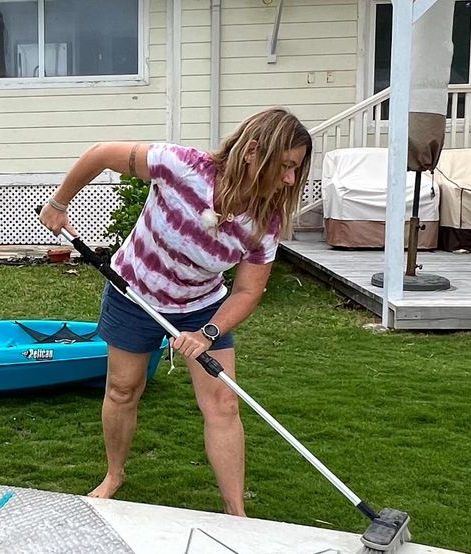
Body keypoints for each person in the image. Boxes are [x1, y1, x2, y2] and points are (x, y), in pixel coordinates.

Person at [39, 107, 311, 516]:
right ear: (253, 151)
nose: (290, 179)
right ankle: (115, 474)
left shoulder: (263, 222)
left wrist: (209, 333)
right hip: (135, 294)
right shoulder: (182, 167)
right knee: (122, 390)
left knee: (223, 405)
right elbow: (99, 153)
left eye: (296, 169)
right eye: (286, 166)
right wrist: (59, 203)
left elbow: (249, 290)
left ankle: (237, 513)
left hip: (202, 306)